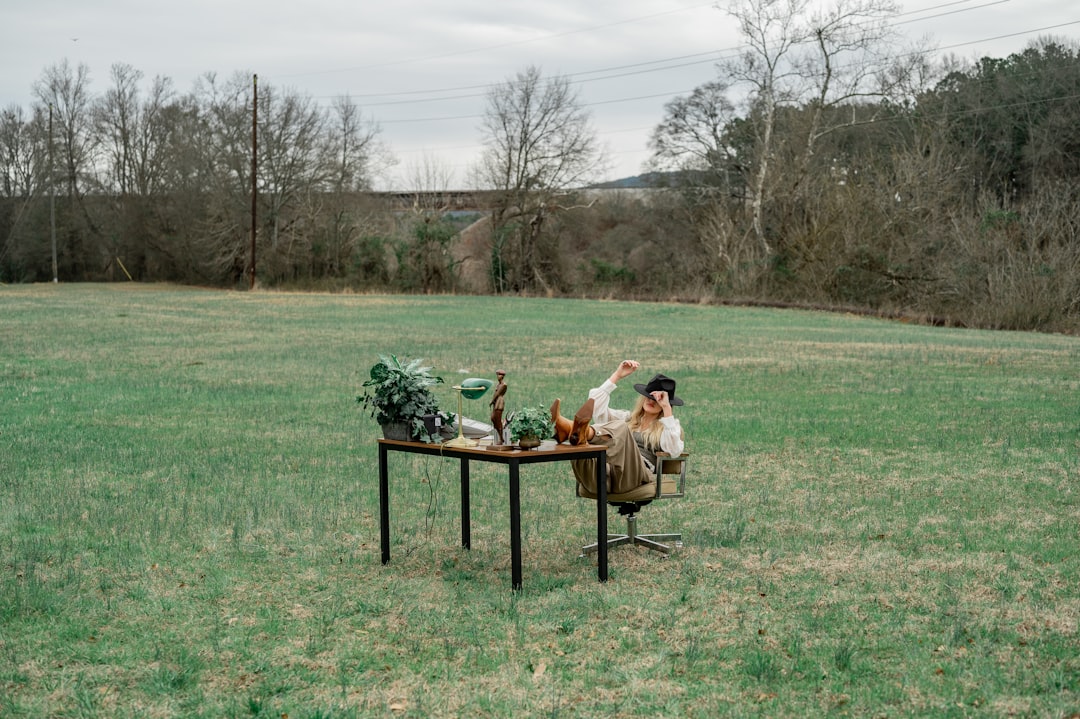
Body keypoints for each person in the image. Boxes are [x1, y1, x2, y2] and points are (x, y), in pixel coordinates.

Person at [551, 360, 685, 499]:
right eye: (649, 396)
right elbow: (595, 407)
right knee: (581, 450)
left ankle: (574, 430)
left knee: (620, 427)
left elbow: (674, 450)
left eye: (658, 399)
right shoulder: (627, 418)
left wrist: (667, 409)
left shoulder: (668, 428)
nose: (651, 400)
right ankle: (579, 435)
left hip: (635, 476)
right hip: (608, 475)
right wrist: (617, 375)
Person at [489, 369, 508, 444]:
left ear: (502, 376)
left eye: (499, 375)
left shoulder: (503, 385)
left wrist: (491, 401)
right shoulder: (498, 384)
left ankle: (501, 438)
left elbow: (497, 394)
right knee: (493, 419)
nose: (498, 376)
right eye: (497, 374)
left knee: (497, 420)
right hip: (496, 402)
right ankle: (499, 436)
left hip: (499, 402)